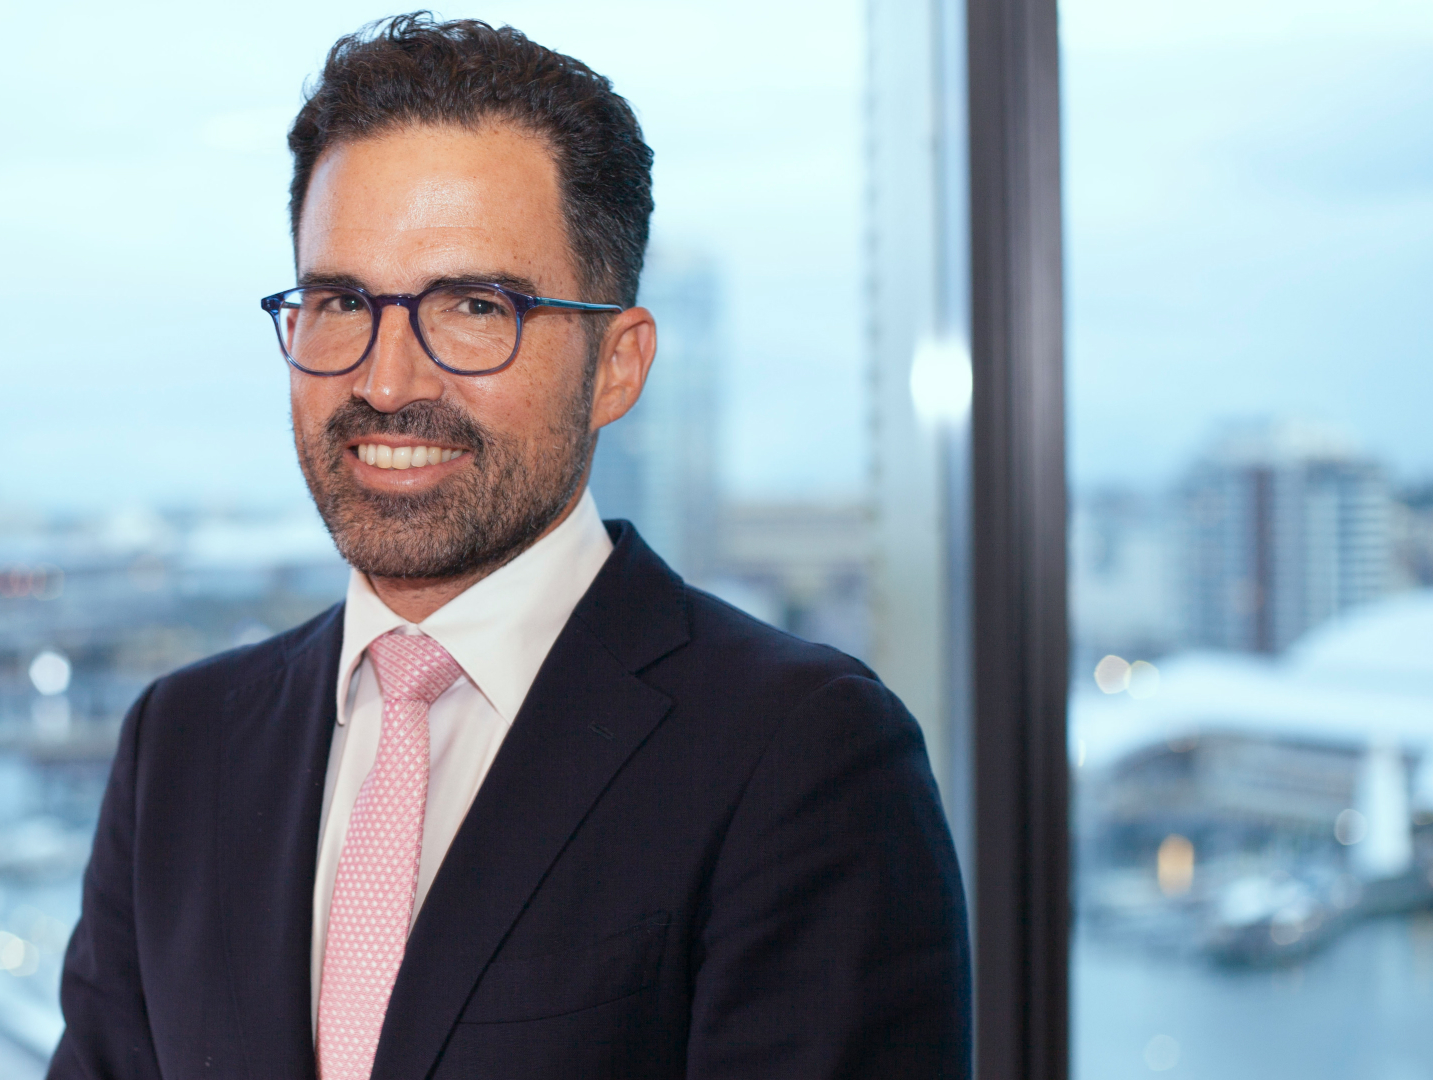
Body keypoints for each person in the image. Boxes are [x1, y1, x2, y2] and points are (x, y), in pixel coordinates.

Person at [48, 14, 969, 1080]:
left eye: (475, 308)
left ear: (617, 365)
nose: (385, 381)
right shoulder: (183, 745)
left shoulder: (800, 754)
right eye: (342, 302)